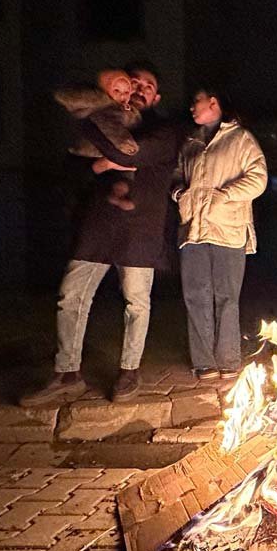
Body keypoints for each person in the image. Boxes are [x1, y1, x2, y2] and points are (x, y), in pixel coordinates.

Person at [21, 62, 182, 405]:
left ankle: (129, 370)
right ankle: (67, 373)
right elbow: (73, 169)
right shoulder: (107, 118)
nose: (138, 90)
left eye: (147, 86)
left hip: (140, 231)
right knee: (71, 296)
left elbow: (129, 151)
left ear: (156, 97)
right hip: (97, 226)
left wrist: (90, 128)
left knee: (136, 303)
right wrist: (99, 164)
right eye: (133, 83)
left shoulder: (166, 131)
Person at [172, 86, 268, 380]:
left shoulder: (240, 139)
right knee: (195, 295)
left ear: (213, 102)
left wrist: (225, 195)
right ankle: (204, 362)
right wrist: (179, 194)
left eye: (195, 101)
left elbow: (259, 179)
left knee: (227, 296)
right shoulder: (190, 142)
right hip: (193, 230)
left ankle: (227, 360)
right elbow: (177, 175)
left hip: (228, 229)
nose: (192, 107)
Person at [53, 68, 143, 211]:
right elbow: (112, 128)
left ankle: (118, 195)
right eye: (117, 91)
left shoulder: (125, 109)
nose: (122, 96)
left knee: (122, 176)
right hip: (89, 155)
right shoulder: (106, 108)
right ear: (106, 91)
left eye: (126, 92)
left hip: (108, 157)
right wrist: (127, 146)